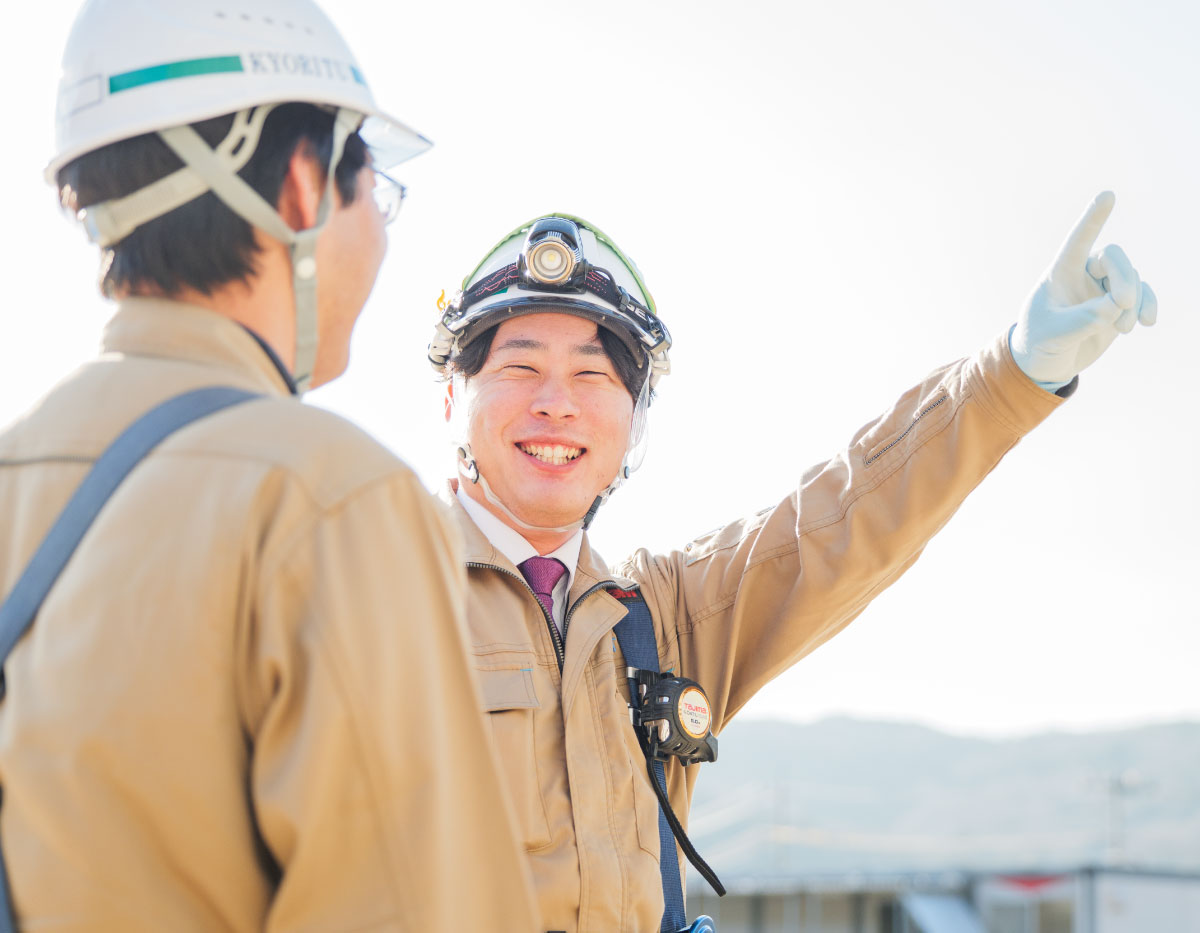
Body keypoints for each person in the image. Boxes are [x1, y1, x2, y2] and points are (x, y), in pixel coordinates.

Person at [425, 203, 1156, 932]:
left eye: (592, 374)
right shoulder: (379, 589)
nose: (556, 403)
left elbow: (842, 522)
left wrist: (1014, 372)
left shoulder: (656, 620)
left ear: (634, 420)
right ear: (455, 397)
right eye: (520, 366)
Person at [0, 1, 539, 930]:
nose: (380, 229)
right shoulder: (330, 497)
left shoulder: (17, 470)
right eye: (373, 189)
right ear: (299, 187)